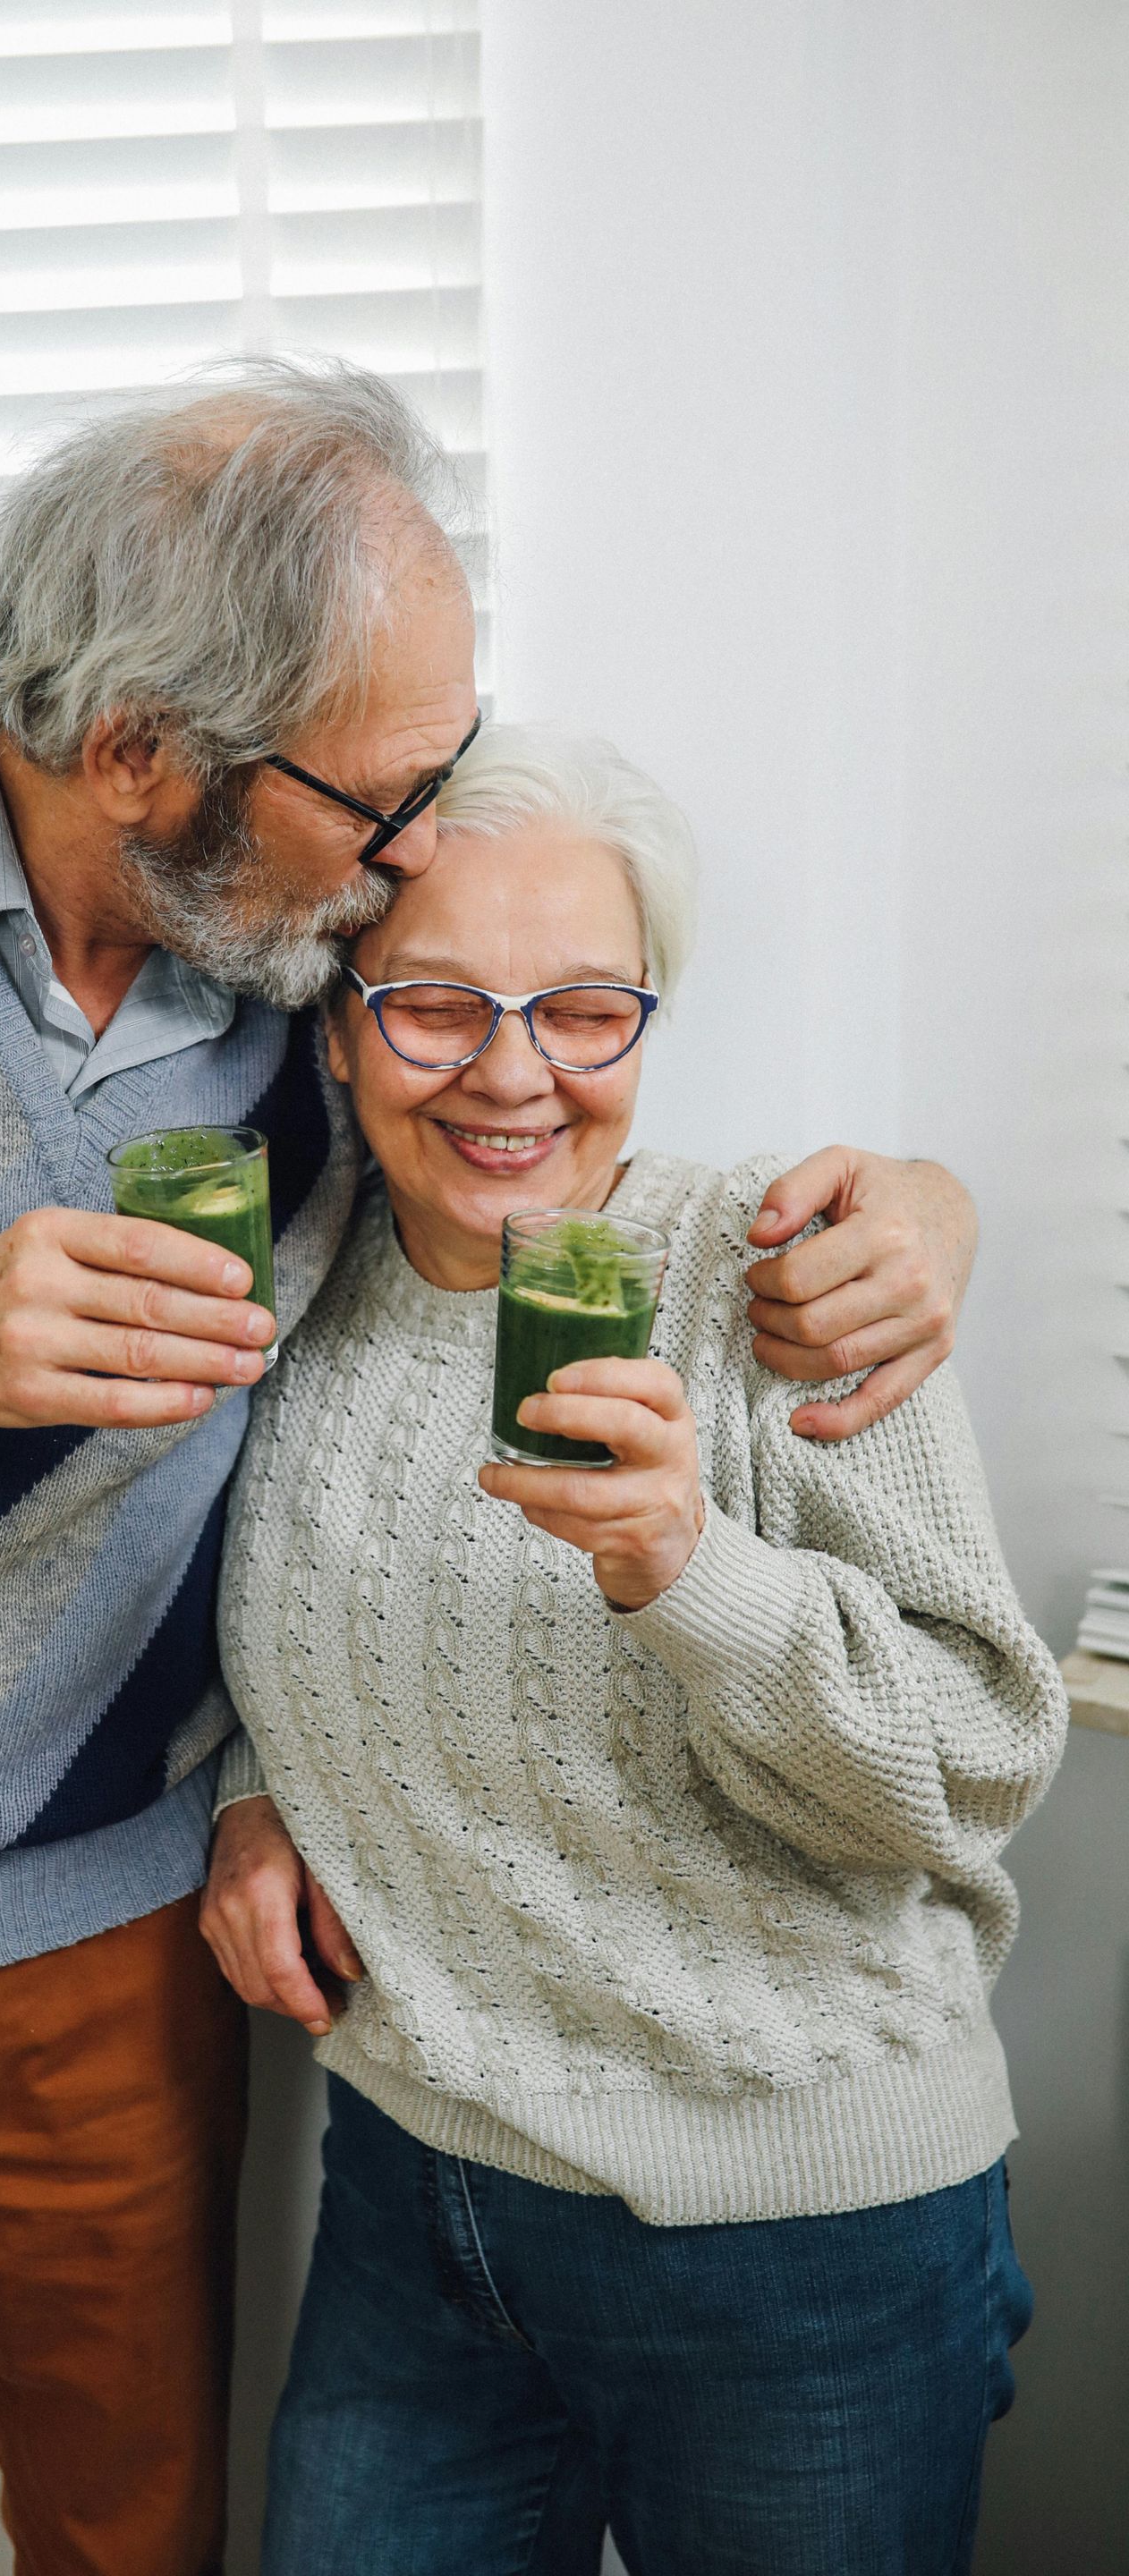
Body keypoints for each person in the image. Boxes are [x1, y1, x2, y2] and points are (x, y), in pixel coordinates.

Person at [0, 365, 977, 2576]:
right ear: (142, 752)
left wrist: (923, 1206)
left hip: (106, 1943)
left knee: (135, 2537)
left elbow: (525, 1175)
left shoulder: (325, 967)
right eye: (384, 785)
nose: (421, 838)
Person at [202, 725, 1065, 2576]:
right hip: (416, 2204)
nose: (514, 1073)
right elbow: (291, 1613)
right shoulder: (291, 1277)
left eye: (587, 1010)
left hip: (799, 2246)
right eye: (435, 1004)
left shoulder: (786, 1277)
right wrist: (262, 1794)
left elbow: (977, 1761)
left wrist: (692, 1567)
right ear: (340, 1020)